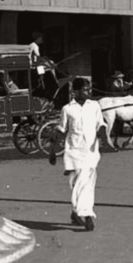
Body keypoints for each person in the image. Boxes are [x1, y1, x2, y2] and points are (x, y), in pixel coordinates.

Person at [48, 77, 105, 232]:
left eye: (89, 88)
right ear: (76, 91)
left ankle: (86, 215)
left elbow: (101, 124)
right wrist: (52, 152)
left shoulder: (94, 106)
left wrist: (102, 135)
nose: (88, 91)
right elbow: (61, 130)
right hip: (73, 151)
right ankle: (78, 213)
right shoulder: (67, 109)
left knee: (86, 182)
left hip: (91, 151)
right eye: (85, 89)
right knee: (77, 183)